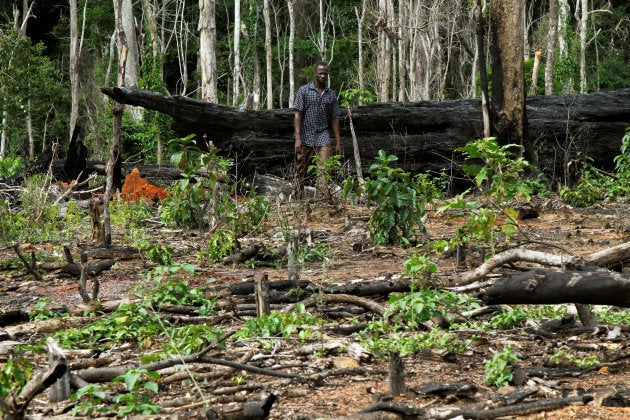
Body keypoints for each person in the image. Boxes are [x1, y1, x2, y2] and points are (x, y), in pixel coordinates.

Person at [292, 61, 343, 200]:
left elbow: (334, 118)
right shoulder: (304, 90)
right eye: (320, 73)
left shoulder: (331, 95)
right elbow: (298, 114)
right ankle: (296, 199)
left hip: (323, 135)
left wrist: (338, 142)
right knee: (300, 169)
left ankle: (320, 201)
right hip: (305, 135)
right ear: (315, 74)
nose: (322, 76)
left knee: (324, 170)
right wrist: (297, 138)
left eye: (325, 73)